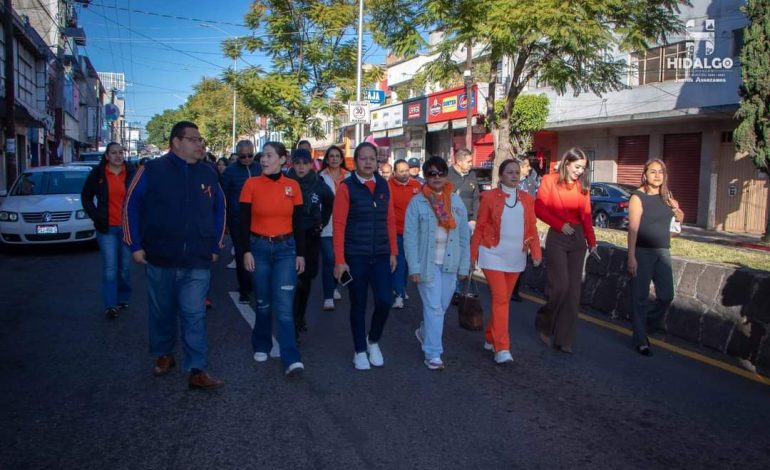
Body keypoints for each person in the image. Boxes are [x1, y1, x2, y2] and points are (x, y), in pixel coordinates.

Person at [123, 121, 226, 390]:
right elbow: (130, 205)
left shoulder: (208, 172)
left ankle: (197, 369)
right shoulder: (151, 170)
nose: (200, 144)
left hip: (197, 258)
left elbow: (220, 209)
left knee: (194, 314)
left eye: (200, 139)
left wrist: (215, 245)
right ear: (176, 142)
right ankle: (164, 353)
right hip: (160, 256)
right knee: (162, 312)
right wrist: (134, 244)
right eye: (194, 139)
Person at [239, 141, 305, 378]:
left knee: (285, 308)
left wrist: (301, 254)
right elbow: (242, 221)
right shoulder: (250, 184)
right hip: (258, 248)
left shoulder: (293, 186)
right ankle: (261, 344)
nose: (263, 160)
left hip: (286, 249)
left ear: (282, 159)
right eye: (262, 156)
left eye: (268, 156)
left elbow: (299, 222)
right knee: (263, 303)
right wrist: (245, 250)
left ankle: (291, 357)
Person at [333, 142, 398, 370]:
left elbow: (390, 219)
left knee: (384, 300)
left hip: (381, 254)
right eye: (363, 158)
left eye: (372, 158)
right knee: (358, 303)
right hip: (356, 255)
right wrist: (340, 260)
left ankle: (374, 340)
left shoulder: (383, 185)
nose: (368, 162)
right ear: (355, 161)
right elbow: (339, 225)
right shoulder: (346, 187)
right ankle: (359, 349)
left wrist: (393, 251)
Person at [471, 159, 542, 364]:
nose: (514, 175)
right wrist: (472, 254)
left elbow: (532, 228)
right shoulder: (489, 197)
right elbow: (481, 227)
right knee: (501, 298)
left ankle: (489, 336)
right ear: (501, 175)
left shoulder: (527, 199)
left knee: (502, 300)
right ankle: (502, 347)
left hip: (516, 256)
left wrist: (536, 252)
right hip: (491, 253)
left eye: (517, 172)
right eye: (509, 172)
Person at [404, 157, 471, 370]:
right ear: (425, 176)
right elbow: (410, 237)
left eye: (440, 173)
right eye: (431, 174)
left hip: (450, 263)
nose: (436, 178)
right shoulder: (417, 203)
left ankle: (424, 332)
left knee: (440, 308)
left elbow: (463, 237)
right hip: (427, 263)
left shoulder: (456, 201)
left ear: (446, 175)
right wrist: (413, 267)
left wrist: (464, 266)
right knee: (433, 308)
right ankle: (433, 353)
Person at [534, 147, 597, 354]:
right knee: (560, 285)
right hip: (558, 236)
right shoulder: (549, 180)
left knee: (573, 292)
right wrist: (560, 224)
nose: (579, 171)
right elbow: (540, 208)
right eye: (577, 166)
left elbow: (587, 215)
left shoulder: (582, 186)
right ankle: (545, 321)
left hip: (578, 238)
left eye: (583, 168)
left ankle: (564, 339)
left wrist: (592, 241)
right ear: (567, 163)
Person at [627, 159, 684, 356]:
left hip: (663, 252)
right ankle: (641, 340)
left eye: (661, 172)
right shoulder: (637, 197)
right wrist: (631, 256)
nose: (657, 175)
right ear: (645, 174)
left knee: (667, 295)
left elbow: (680, 218)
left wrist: (676, 208)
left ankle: (643, 325)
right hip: (642, 252)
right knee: (640, 298)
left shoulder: (666, 196)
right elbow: (633, 229)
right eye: (653, 172)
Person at [81, 142, 136, 319]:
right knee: (111, 268)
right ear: (107, 156)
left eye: (120, 152)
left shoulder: (131, 173)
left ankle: (123, 298)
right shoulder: (98, 174)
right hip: (106, 229)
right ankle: (111, 305)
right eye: (113, 153)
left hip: (127, 228)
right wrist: (95, 215)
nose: (118, 156)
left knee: (125, 268)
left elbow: (141, 197)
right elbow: (86, 196)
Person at [286, 148, 333, 341]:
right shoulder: (286, 182)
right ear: (292, 164)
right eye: (297, 163)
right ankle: (291, 323)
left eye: (304, 163)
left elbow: (330, 201)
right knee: (290, 281)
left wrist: (321, 221)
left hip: (310, 236)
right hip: (289, 237)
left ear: (310, 164)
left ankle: (299, 316)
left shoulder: (318, 183)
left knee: (305, 281)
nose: (301, 167)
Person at [222, 140, 262, 303]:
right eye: (242, 156)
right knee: (241, 254)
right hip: (238, 219)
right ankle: (244, 289)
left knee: (259, 254)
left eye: (250, 155)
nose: (246, 158)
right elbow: (223, 197)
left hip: (260, 218)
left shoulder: (260, 168)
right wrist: (225, 222)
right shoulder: (230, 172)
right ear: (237, 155)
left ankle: (258, 285)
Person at [389, 158, 422, 309]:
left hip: (413, 233)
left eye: (406, 170)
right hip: (395, 232)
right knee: (399, 262)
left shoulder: (416, 186)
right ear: (394, 172)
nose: (404, 174)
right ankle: (398, 294)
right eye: (401, 171)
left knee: (408, 264)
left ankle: (401, 288)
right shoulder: (388, 186)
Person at [318, 145, 349, 311]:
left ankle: (335, 285)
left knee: (340, 259)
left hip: (345, 226)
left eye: (338, 156)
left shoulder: (350, 177)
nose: (335, 159)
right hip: (326, 226)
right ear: (327, 159)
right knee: (329, 259)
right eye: (331, 156)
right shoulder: (320, 177)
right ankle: (328, 296)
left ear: (342, 159)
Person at [510, 155, 535, 302]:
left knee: (521, 260)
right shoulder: (510, 183)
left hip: (525, 228)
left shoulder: (530, 182)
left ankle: (515, 289)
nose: (529, 168)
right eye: (526, 166)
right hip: (511, 227)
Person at [447, 148, 479, 231]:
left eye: (471, 161)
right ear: (459, 162)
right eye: (468, 162)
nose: (471, 164)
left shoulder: (472, 174)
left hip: (469, 220)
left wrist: (474, 219)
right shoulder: (446, 175)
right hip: (450, 219)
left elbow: (476, 199)